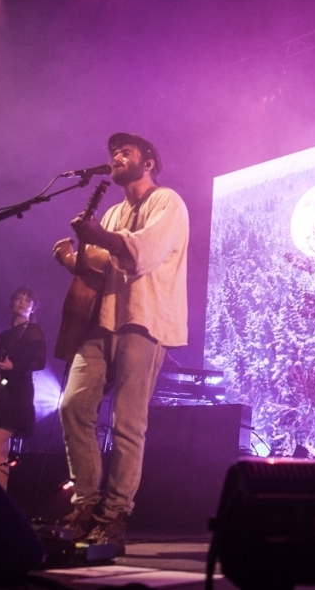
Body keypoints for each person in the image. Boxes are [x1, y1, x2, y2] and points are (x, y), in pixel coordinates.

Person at [53, 132, 189, 554]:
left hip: (143, 321)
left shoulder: (168, 202)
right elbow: (100, 266)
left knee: (127, 422)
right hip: (103, 320)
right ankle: (85, 504)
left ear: (148, 162)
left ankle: (114, 515)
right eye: (113, 151)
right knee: (73, 405)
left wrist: (97, 236)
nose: (116, 156)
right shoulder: (112, 212)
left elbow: (142, 253)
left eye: (125, 151)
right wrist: (72, 260)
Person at [0, 287, 46, 490]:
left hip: (18, 394)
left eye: (27, 300)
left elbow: (40, 362)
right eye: (18, 298)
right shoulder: (4, 335)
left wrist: (14, 366)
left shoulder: (33, 330)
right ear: (11, 303)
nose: (22, 302)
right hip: (0, 394)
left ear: (33, 308)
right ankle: (2, 494)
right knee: (1, 451)